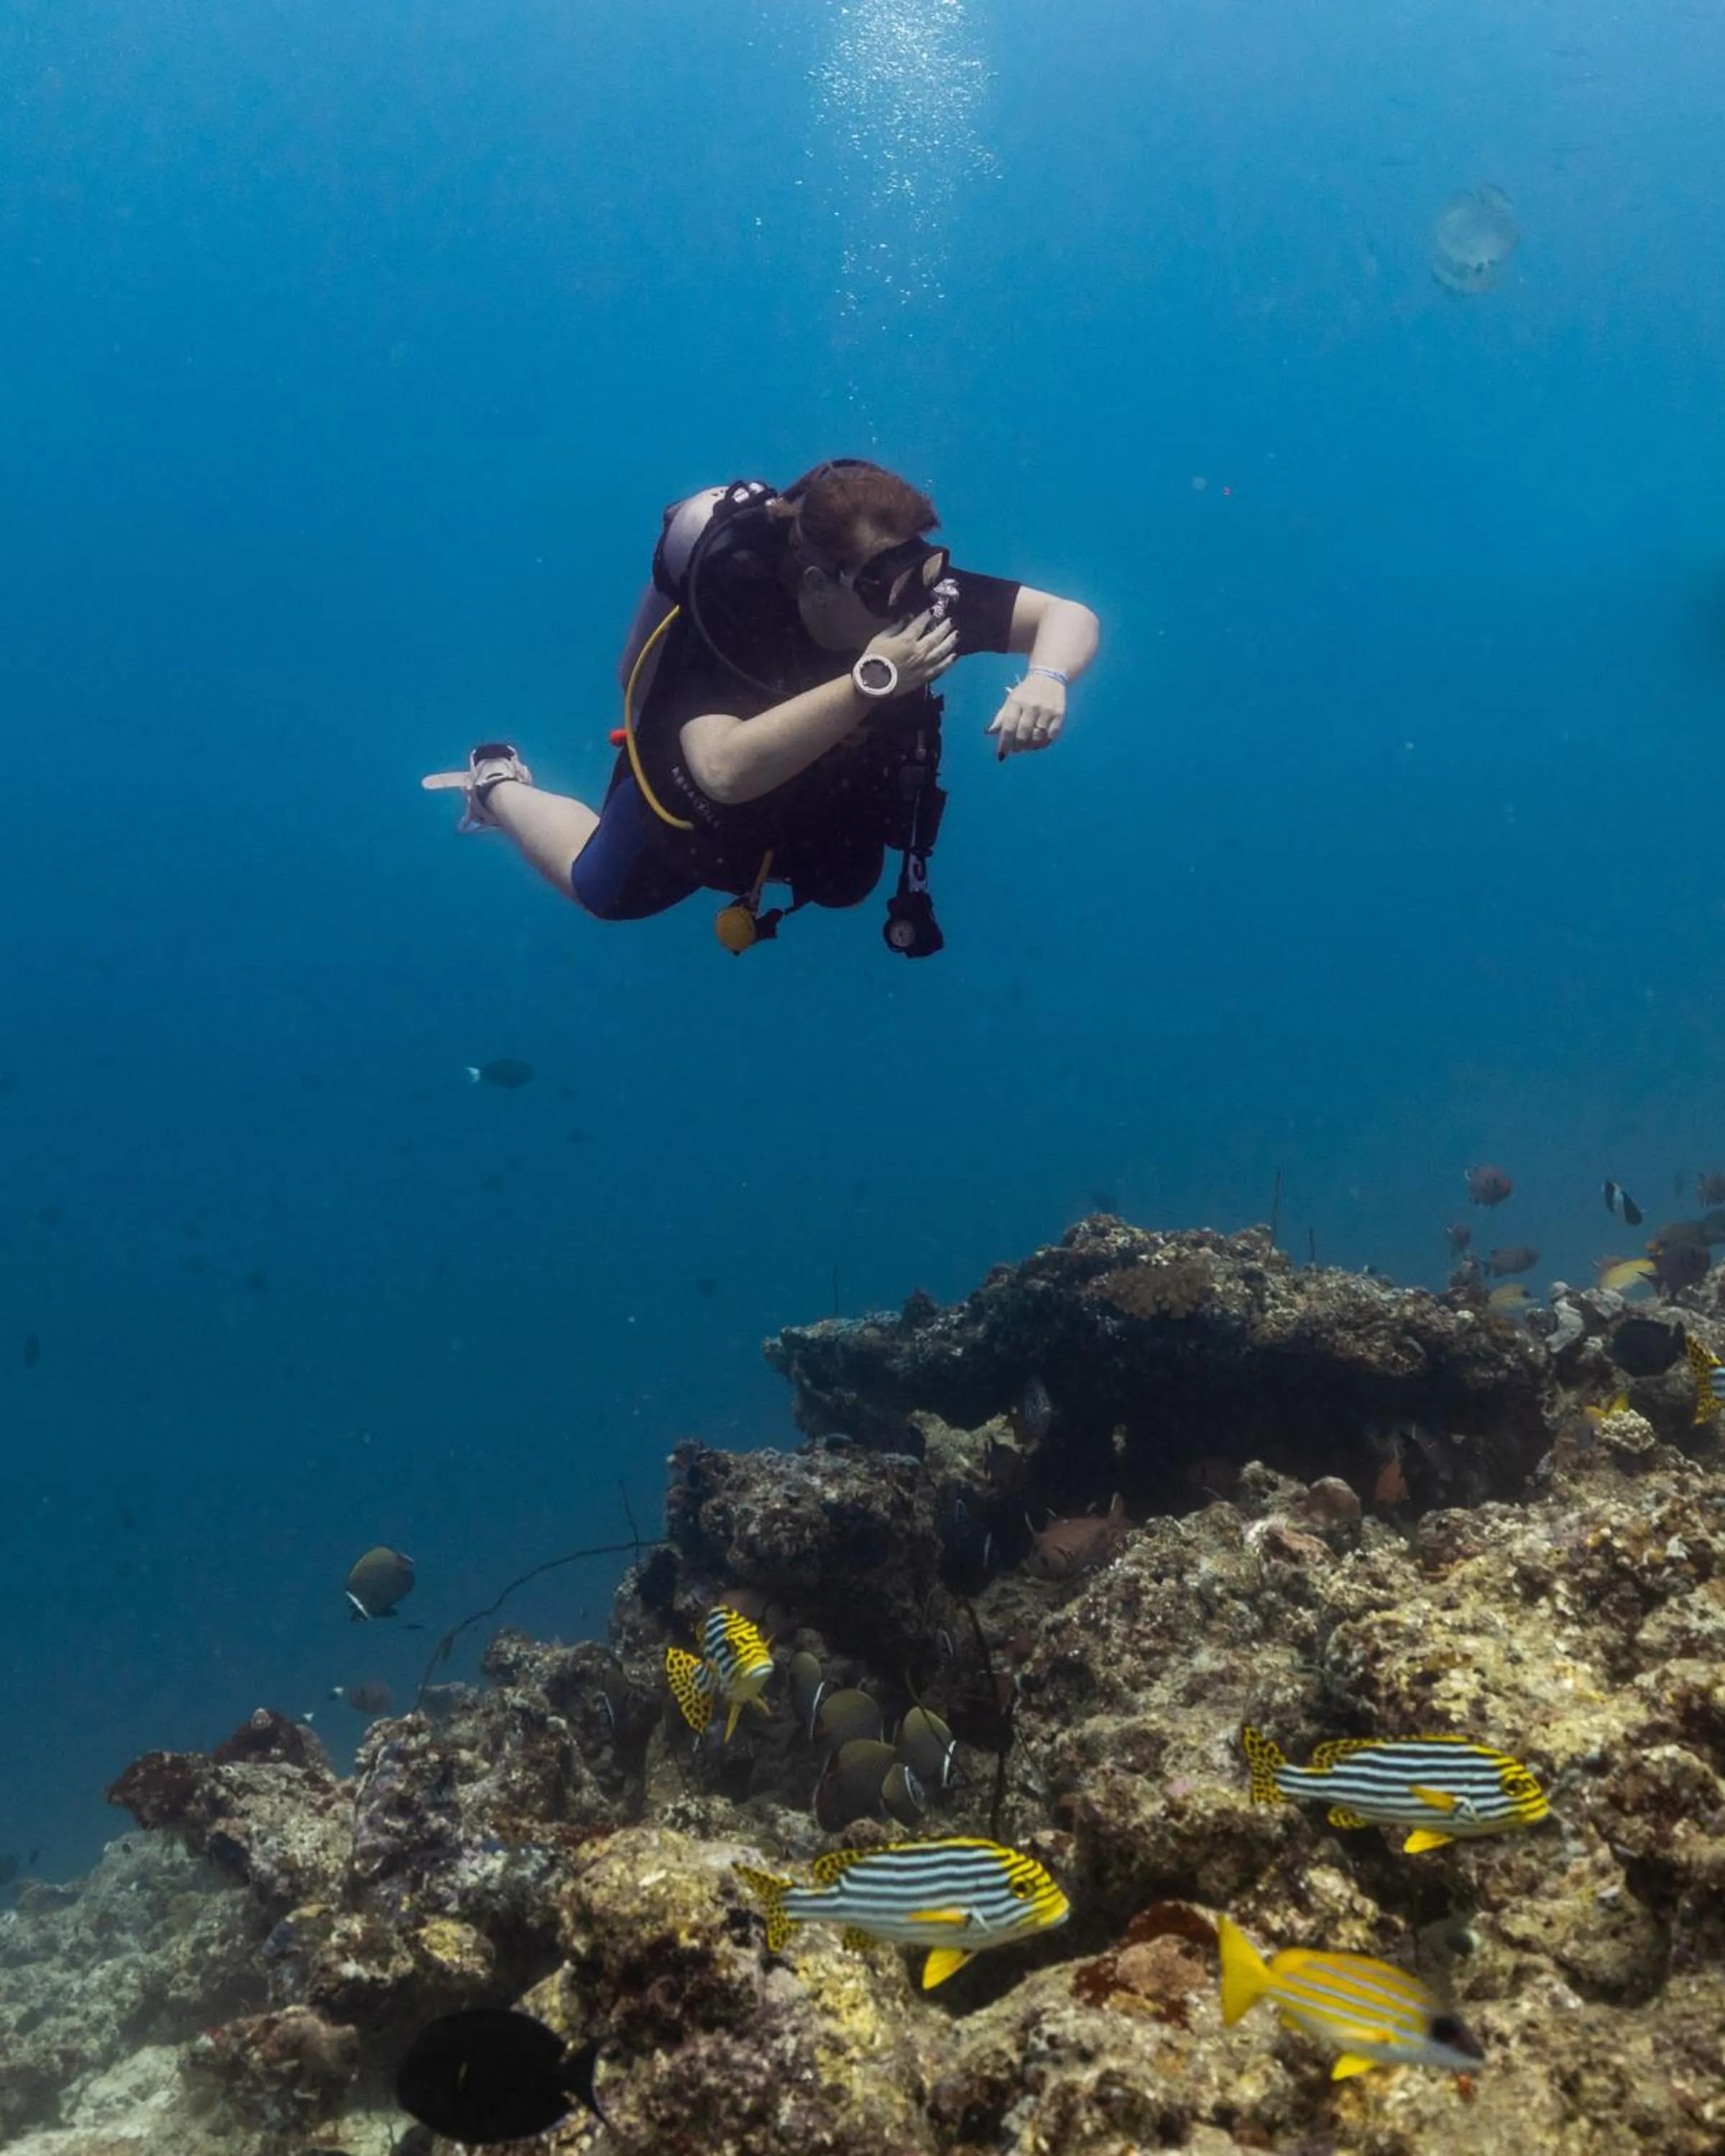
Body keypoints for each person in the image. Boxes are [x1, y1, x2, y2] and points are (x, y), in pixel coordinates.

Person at [422, 458, 1099, 957]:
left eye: (924, 569)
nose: (913, 599)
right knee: (607, 891)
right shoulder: (740, 609)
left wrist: (1047, 678)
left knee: (845, 884)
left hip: (824, 786)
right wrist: (874, 681)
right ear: (816, 584)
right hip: (705, 792)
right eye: (882, 585)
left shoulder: (916, 590)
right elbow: (721, 769)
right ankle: (496, 787)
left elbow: (1067, 615)